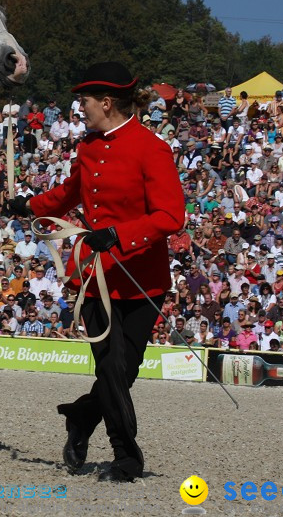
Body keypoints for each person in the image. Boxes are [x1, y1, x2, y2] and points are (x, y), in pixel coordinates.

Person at [10, 62, 184, 482]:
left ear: (106, 103)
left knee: (124, 373)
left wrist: (120, 235)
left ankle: (82, 416)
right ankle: (127, 456)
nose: (79, 108)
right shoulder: (87, 147)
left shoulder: (152, 148)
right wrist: (31, 206)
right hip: (95, 275)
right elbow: (70, 193)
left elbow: (171, 216)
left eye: (84, 101)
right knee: (110, 368)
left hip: (144, 278)